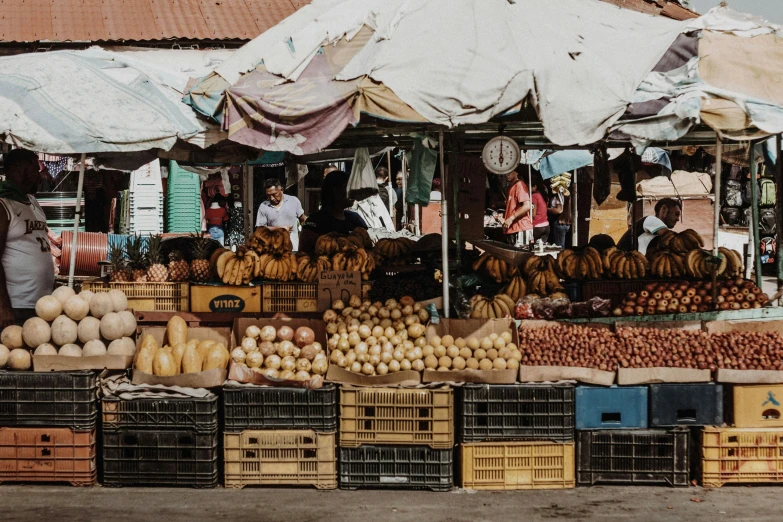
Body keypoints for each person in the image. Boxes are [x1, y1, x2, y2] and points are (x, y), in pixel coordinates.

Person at [0, 149, 55, 328]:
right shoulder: (3, 205)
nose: (40, 174)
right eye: (35, 168)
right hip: (16, 306)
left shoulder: (32, 202)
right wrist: (3, 307)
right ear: (20, 169)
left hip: (43, 305)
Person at [299, 171, 368, 254]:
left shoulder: (355, 219)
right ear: (335, 190)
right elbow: (303, 254)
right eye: (348, 188)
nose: (352, 193)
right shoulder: (315, 222)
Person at [617, 197, 682, 255]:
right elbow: (672, 238)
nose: (678, 219)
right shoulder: (651, 220)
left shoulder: (656, 235)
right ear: (664, 209)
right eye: (676, 214)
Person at [256, 179, 306, 251]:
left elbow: (303, 220)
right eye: (268, 195)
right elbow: (260, 229)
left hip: (293, 248)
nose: (272, 198)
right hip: (273, 249)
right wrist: (280, 229)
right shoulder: (263, 206)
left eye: (274, 194)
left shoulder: (294, 201)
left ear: (282, 190)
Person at [503, 170, 532, 246]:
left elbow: (527, 205)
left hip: (521, 228)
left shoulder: (519, 185)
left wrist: (511, 218)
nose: (507, 174)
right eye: (506, 172)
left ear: (516, 172)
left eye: (509, 172)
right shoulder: (510, 187)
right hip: (512, 228)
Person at [531, 175, 550, 243]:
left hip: (537, 226)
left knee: (533, 248)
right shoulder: (543, 195)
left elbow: (533, 214)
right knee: (542, 248)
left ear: (535, 187)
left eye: (530, 186)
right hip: (546, 226)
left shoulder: (534, 196)